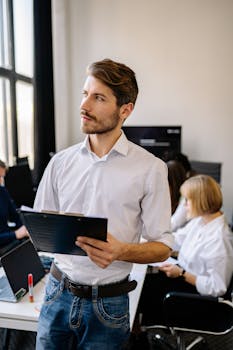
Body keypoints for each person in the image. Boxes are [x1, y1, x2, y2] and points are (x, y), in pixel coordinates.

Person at [33, 58, 173, 349]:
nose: (84, 106)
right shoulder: (60, 162)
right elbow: (40, 227)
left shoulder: (151, 168)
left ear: (125, 110)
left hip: (108, 305)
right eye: (85, 95)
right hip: (58, 292)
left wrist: (122, 250)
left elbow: (163, 246)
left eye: (98, 98)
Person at [139, 174, 233, 326]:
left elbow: (217, 288)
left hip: (195, 297)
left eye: (187, 201)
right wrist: (144, 242)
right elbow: (177, 239)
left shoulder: (219, 239)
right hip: (182, 276)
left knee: (146, 291)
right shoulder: (201, 221)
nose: (185, 206)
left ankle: (141, 334)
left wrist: (182, 274)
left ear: (200, 201)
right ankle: (139, 333)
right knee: (145, 283)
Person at [0, 160, 29, 250]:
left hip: (8, 243)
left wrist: (27, 227)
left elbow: (15, 216)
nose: (1, 180)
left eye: (2, 177)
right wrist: (16, 234)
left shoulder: (2, 192)